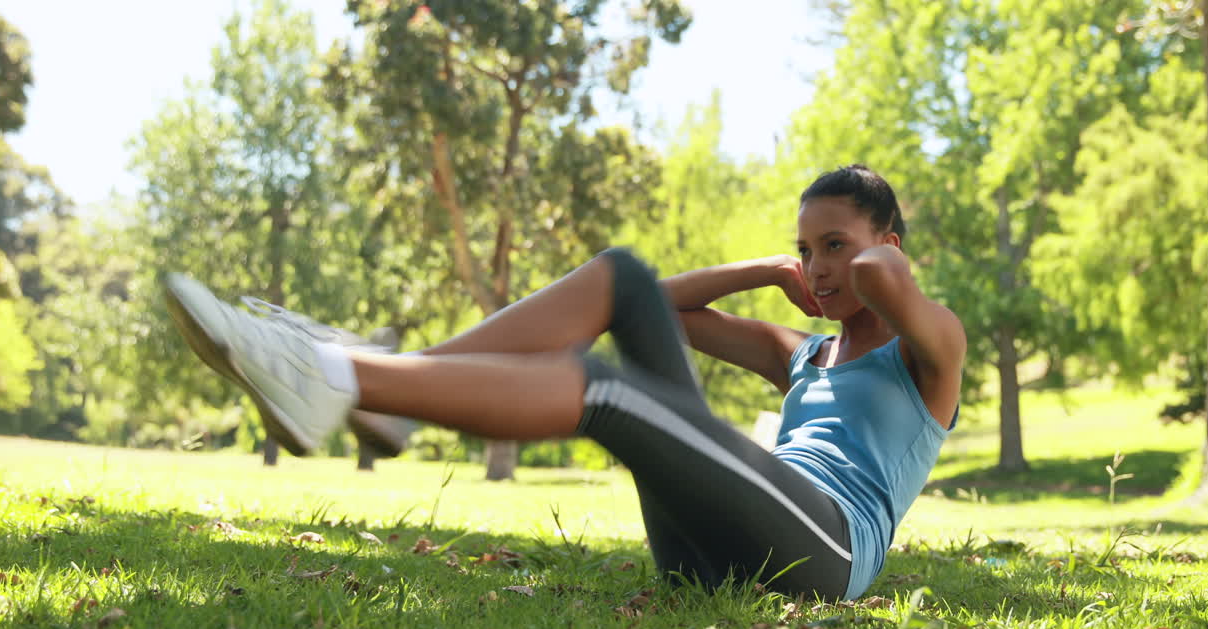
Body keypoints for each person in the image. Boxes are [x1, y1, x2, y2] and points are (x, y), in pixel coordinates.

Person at [163, 164, 965, 601]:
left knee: (605, 391)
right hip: (711, 554)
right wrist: (764, 270)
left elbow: (888, 283)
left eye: (833, 246)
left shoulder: (931, 354)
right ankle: (397, 393)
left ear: (886, 240)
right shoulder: (798, 354)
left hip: (825, 551)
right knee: (622, 274)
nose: (820, 270)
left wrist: (861, 259)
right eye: (805, 248)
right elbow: (660, 306)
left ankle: (334, 376)